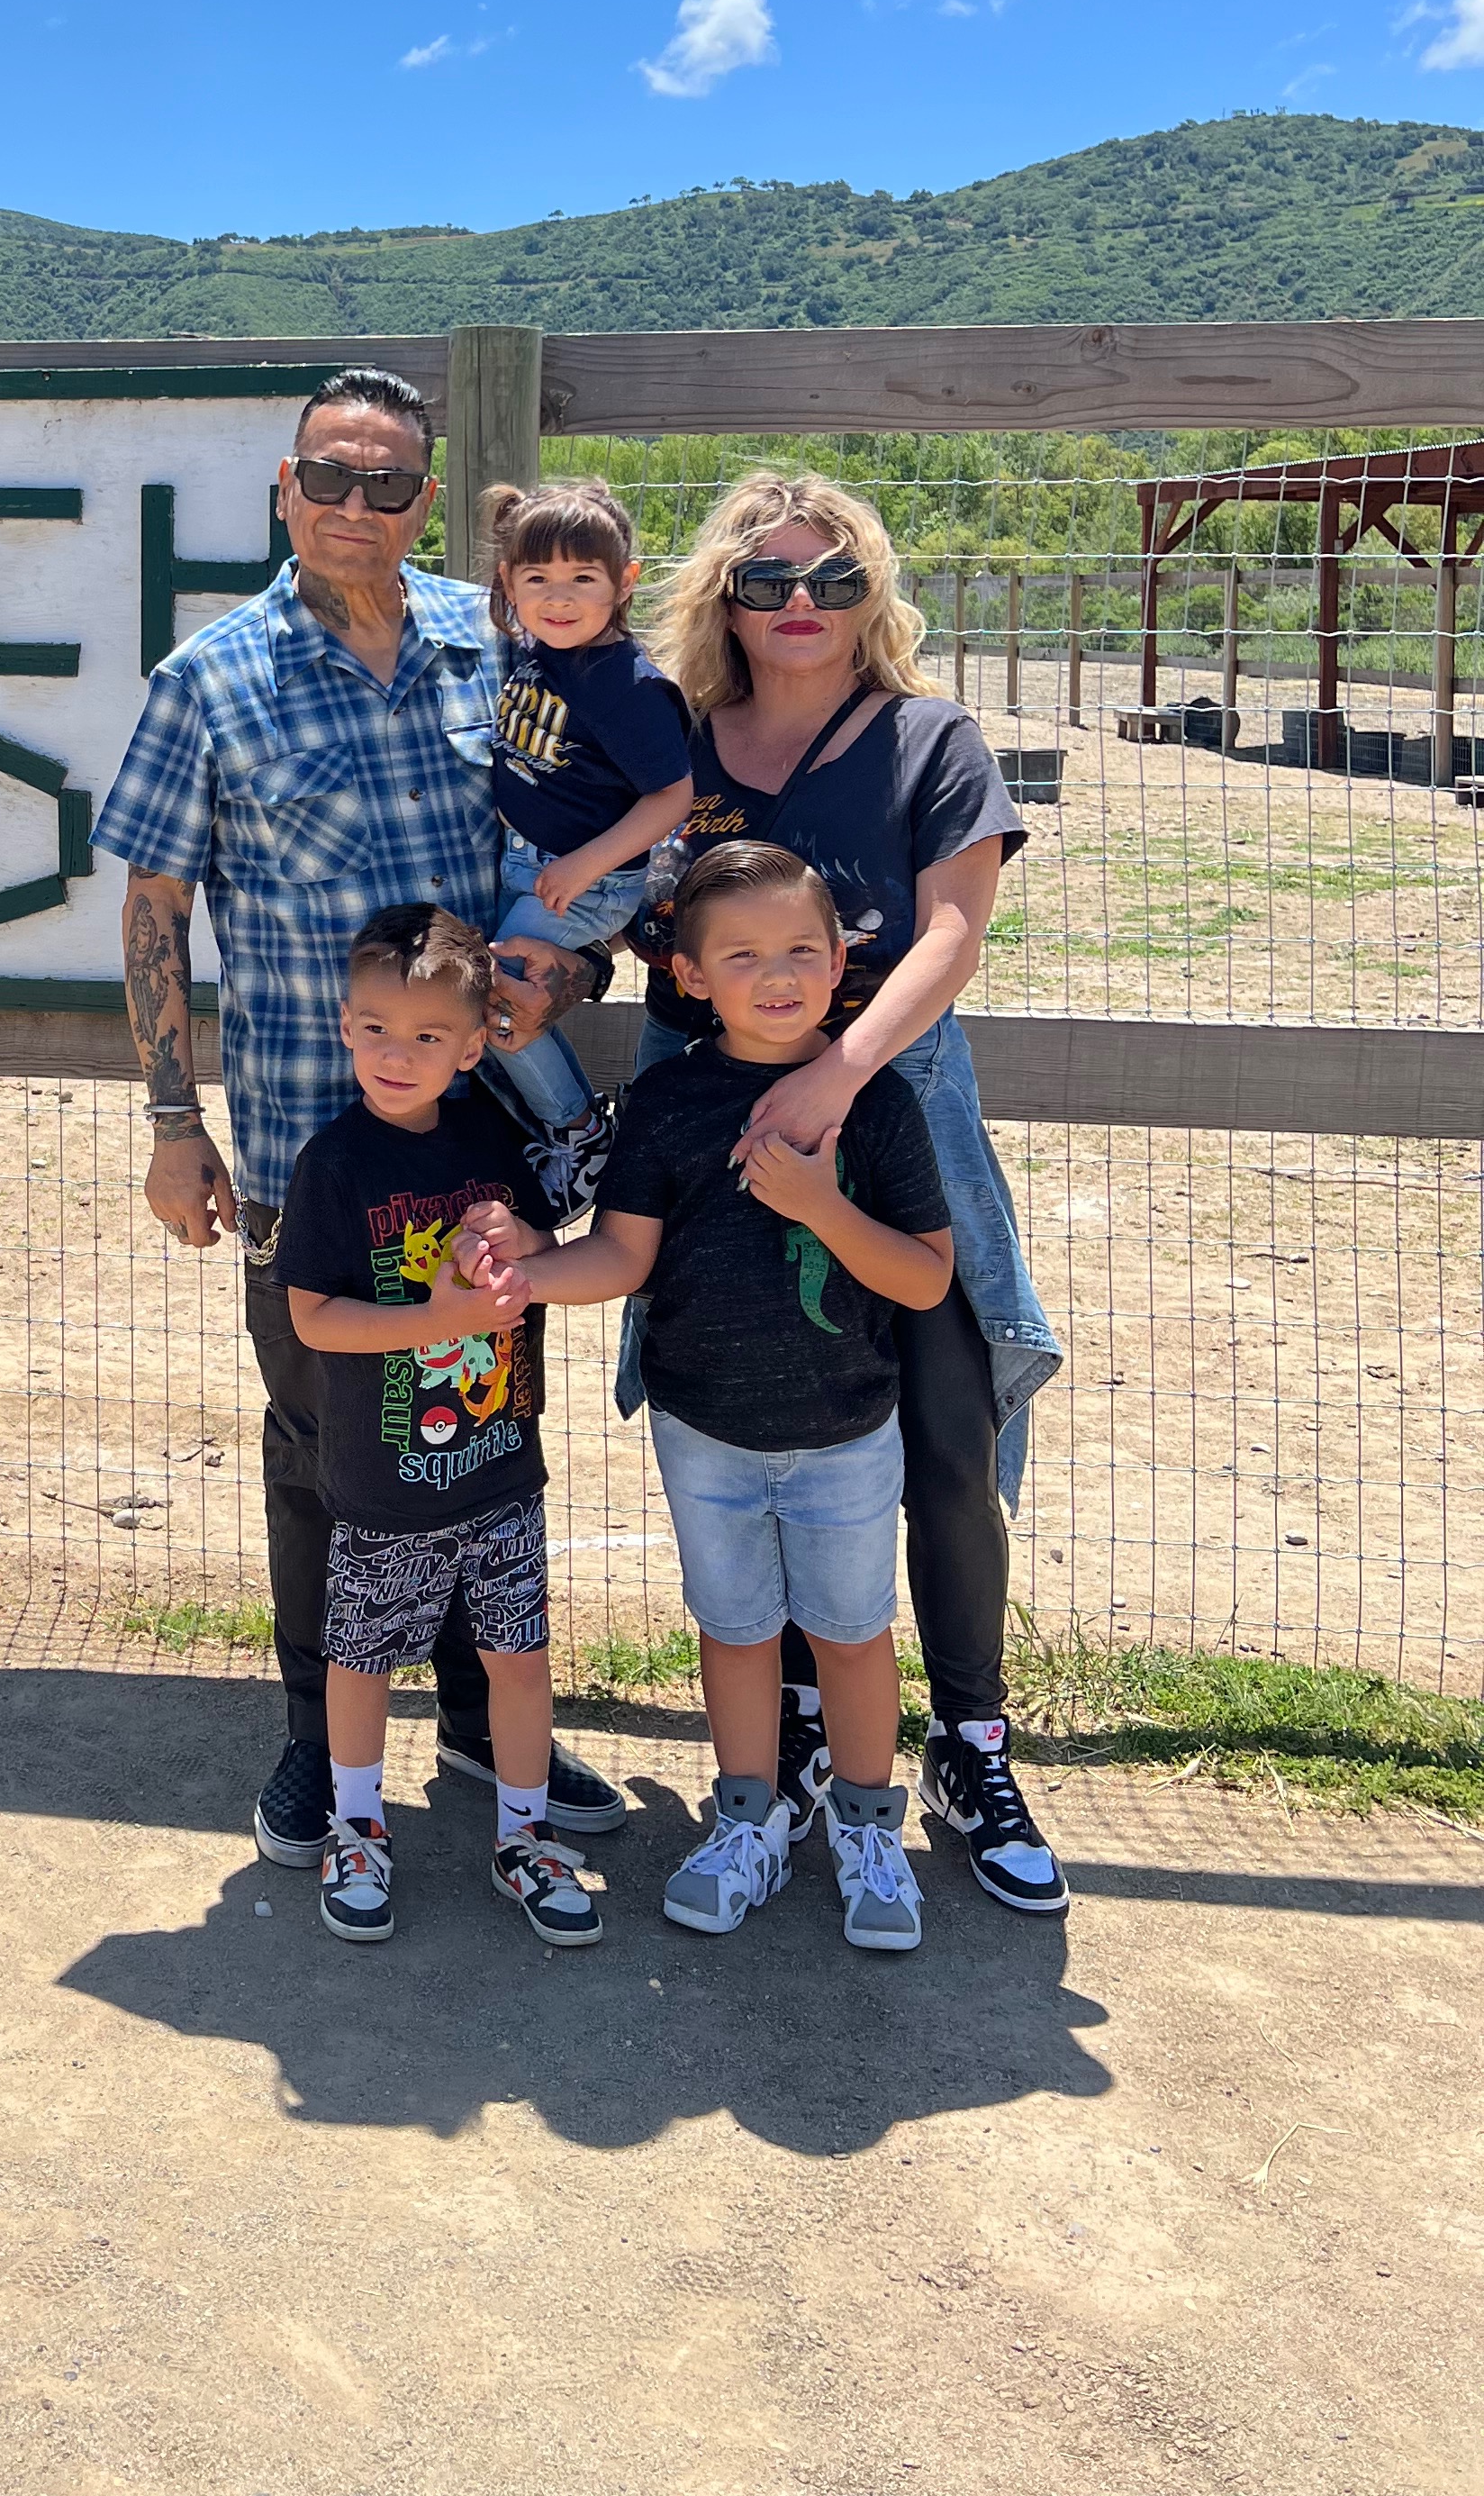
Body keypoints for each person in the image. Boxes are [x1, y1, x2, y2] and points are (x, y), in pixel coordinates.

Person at [95, 366, 624, 1873]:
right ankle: (312, 1741)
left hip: (479, 1148)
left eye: (386, 482)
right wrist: (170, 1120)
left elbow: (578, 843)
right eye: (328, 475)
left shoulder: (497, 647)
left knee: (477, 1426)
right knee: (321, 1445)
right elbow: (153, 906)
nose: (353, 504)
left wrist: (573, 966)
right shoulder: (208, 679)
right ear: (286, 488)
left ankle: (476, 1719)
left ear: (423, 500)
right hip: (302, 1145)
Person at [629, 468, 1069, 1914]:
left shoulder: (928, 740)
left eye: (834, 578)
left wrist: (837, 1073)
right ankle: (800, 1734)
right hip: (710, 1129)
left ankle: (971, 1742)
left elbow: (952, 933)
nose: (802, 603)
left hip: (889, 1113)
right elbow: (608, 907)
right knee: (754, 1412)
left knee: (942, 1432)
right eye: (768, 580)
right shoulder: (676, 744)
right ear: (725, 599)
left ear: (873, 595)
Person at [465, 843, 951, 1953]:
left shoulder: (872, 1106)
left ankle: (869, 1833)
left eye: (801, 951)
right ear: (687, 975)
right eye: (742, 955)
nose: (777, 976)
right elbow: (623, 1256)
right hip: (703, 1433)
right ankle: (746, 1823)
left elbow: (925, 1278)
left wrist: (821, 1205)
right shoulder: (669, 1100)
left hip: (846, 1432)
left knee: (853, 1637)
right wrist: (531, 1275)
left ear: (841, 962)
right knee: (735, 1634)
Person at [276, 903, 604, 1951]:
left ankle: (525, 1839)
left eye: (427, 1036)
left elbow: (551, 1231)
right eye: (376, 1028)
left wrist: (528, 1235)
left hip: (502, 1470)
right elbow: (313, 1316)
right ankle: (357, 1829)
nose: (396, 1053)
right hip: (384, 1487)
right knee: (361, 1660)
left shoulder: (492, 1140)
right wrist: (439, 1320)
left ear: (471, 1049)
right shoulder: (333, 1164)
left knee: (520, 1659)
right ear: (344, 1026)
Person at [482, 476, 693, 1126]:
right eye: (538, 578)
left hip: (585, 880)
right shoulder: (538, 651)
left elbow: (672, 797)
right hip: (530, 864)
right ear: (508, 581)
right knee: (503, 998)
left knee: (500, 999)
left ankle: (575, 1130)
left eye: (582, 578)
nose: (559, 598)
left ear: (624, 582)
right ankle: (558, 1127)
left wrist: (585, 865)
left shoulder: (628, 688)